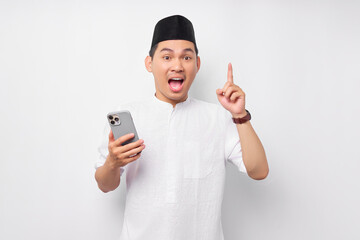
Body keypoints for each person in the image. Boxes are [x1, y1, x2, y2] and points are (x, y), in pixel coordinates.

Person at [95, 15, 269, 240]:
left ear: (197, 64)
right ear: (150, 63)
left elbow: (259, 171)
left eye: (186, 57)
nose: (177, 66)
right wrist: (112, 163)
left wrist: (240, 115)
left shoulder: (218, 117)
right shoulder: (129, 116)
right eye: (167, 56)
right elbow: (105, 185)